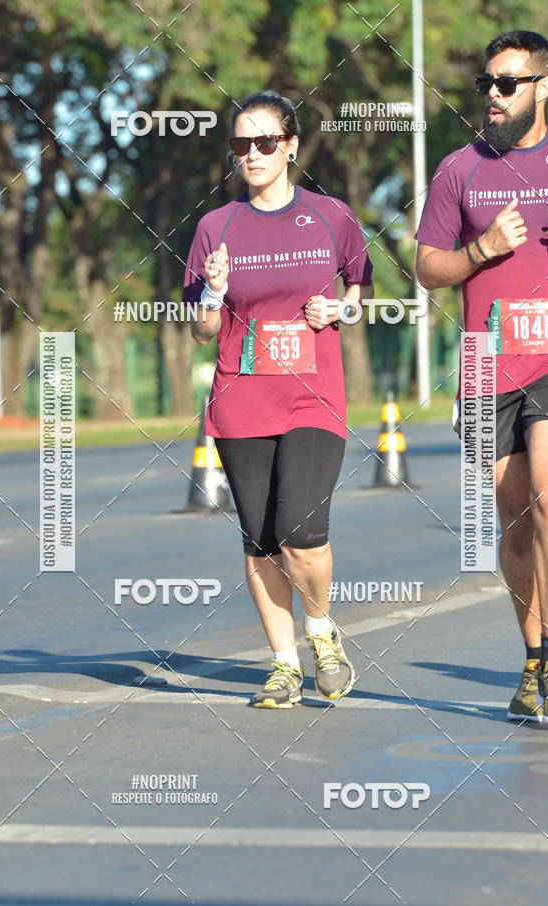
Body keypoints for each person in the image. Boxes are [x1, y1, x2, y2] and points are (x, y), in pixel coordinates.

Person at [183, 90, 373, 708]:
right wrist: (212, 293)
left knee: (302, 532)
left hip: (313, 397)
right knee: (260, 539)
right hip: (241, 399)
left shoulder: (331, 217)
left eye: (266, 142)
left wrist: (338, 308)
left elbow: (359, 293)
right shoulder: (217, 227)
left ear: (291, 147)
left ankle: (321, 629)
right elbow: (202, 329)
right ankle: (284, 664)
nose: (253, 154)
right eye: (242, 144)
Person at [416, 31, 548, 724]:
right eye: (488, 85)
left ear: (544, 85)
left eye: (508, 83)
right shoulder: (458, 170)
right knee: (514, 526)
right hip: (485, 366)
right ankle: (533, 656)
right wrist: (481, 249)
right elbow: (427, 268)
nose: (494, 97)